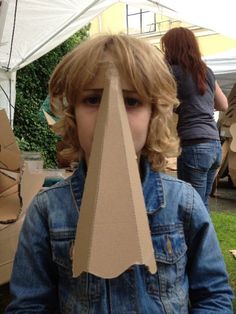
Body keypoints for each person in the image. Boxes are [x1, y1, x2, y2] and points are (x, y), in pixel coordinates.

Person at [6, 34, 233, 313]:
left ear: (154, 114)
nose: (110, 117)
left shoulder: (183, 204)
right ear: (73, 114)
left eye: (132, 101)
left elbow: (214, 296)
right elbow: (30, 304)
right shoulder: (46, 212)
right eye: (92, 99)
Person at [161, 27, 228, 210]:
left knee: (192, 207)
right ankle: (204, 238)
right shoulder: (206, 71)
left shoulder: (173, 72)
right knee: (201, 204)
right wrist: (202, 104)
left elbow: (163, 106)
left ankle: (196, 239)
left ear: (172, 48)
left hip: (194, 145)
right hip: (214, 145)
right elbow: (223, 104)